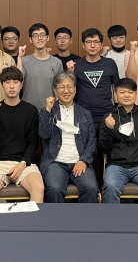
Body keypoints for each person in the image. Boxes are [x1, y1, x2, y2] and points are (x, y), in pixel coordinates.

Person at [0, 66, 44, 203]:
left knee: (38, 187)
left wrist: (22, 164)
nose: (11, 86)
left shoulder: (31, 110)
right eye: (7, 82)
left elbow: (33, 142)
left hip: (23, 162)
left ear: (21, 84)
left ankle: (33, 219)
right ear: (2, 84)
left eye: (15, 82)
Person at [39, 71, 98, 203]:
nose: (66, 91)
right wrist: (48, 111)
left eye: (69, 87)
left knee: (91, 188)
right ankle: (56, 217)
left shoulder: (85, 114)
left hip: (79, 161)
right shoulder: (47, 111)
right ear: (55, 90)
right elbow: (43, 134)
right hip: (55, 162)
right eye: (61, 87)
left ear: (75, 89)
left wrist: (84, 161)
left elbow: (92, 140)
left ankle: (85, 217)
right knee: (54, 189)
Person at [68, 28, 119, 129]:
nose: (92, 45)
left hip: (107, 114)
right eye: (89, 42)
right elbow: (70, 89)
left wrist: (117, 110)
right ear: (83, 45)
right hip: (82, 114)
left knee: (105, 139)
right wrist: (70, 73)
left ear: (101, 45)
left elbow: (116, 88)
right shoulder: (76, 64)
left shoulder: (110, 63)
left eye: (96, 42)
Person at [21, 23, 64, 110]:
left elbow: (60, 88)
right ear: (30, 39)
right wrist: (19, 58)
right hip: (28, 110)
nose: (39, 38)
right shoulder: (23, 61)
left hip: (50, 109)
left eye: (42, 35)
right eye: (35, 36)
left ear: (47, 38)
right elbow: (18, 82)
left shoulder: (57, 62)